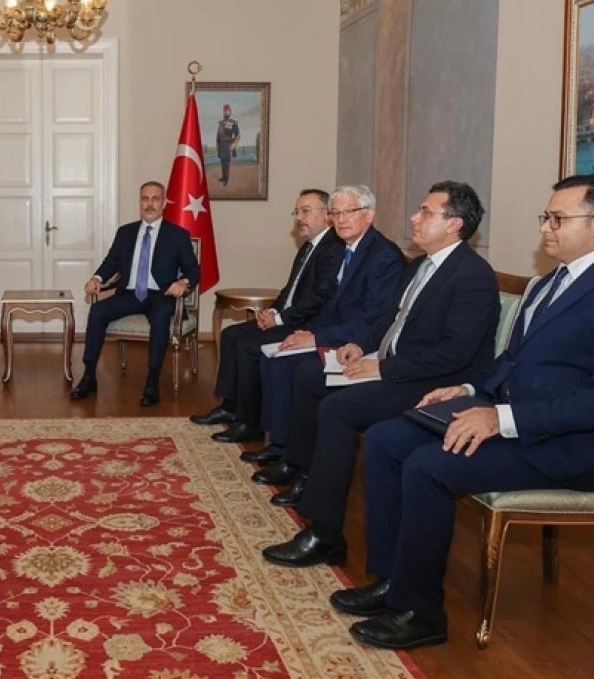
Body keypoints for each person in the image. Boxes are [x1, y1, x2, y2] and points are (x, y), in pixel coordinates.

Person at [339, 175, 594, 651]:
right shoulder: (550, 282)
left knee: (428, 467)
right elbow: (512, 360)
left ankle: (420, 614)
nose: (545, 228)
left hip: (571, 447)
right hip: (515, 419)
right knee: (388, 439)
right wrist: (468, 389)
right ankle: (392, 581)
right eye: (546, 217)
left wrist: (502, 420)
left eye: (557, 219)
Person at [261, 181, 499, 567]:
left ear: (454, 224)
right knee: (312, 377)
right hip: (399, 367)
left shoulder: (472, 276)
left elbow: (455, 355)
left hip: (434, 384)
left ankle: (325, 533)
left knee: (339, 408)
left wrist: (383, 368)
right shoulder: (421, 265)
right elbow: (389, 318)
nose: (414, 218)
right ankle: (306, 477)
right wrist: (359, 344)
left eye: (426, 212)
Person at [244, 185, 405, 468]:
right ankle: (281, 444)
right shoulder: (347, 248)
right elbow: (331, 306)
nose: (340, 219)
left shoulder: (384, 256)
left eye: (349, 212)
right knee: (276, 357)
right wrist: (309, 333)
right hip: (336, 333)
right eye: (335, 213)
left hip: (360, 343)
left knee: (294, 369)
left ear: (369, 215)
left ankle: (295, 458)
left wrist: (317, 339)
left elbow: (374, 319)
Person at [190, 189, 343, 442]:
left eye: (306, 211)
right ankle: (230, 407)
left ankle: (250, 424)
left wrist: (280, 320)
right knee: (230, 335)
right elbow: (290, 289)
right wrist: (272, 311)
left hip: (305, 325)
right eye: (297, 212)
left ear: (327, 215)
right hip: (289, 316)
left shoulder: (333, 249)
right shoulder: (309, 247)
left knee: (248, 346)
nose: (299, 218)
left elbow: (319, 298)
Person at [72, 180, 201, 407]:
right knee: (98, 311)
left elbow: (194, 270)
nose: (149, 204)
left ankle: (152, 380)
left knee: (160, 316)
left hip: (161, 295)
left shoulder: (177, 235)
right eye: (145, 199)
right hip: (130, 294)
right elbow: (111, 263)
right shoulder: (126, 232)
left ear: (164, 203)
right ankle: (89, 375)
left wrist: (183, 282)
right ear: (140, 202)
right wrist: (97, 278)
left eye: (155, 199)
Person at [215, 104, 240, 187]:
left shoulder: (233, 123)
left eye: (228, 111)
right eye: (225, 111)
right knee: (222, 162)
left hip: (229, 145)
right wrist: (217, 146)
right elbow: (218, 135)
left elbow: (237, 136)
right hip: (221, 145)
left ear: (230, 112)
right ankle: (224, 177)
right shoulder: (221, 123)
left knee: (226, 163)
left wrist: (234, 145)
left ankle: (226, 179)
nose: (226, 113)